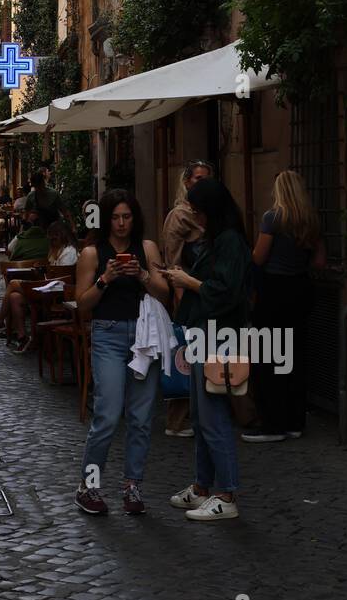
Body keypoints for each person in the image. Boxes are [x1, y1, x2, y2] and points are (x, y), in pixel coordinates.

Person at [74, 189, 168, 517]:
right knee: (108, 415)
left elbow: (164, 292)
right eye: (115, 217)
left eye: (127, 216)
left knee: (142, 418)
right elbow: (82, 304)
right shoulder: (91, 254)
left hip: (143, 336)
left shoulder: (147, 248)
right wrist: (105, 279)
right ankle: (89, 486)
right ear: (105, 219)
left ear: (135, 218)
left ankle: (132, 485)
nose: (121, 223)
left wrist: (142, 275)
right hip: (109, 335)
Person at [164, 178, 252, 522]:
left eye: (197, 210)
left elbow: (225, 291)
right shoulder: (219, 238)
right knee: (202, 417)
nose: (193, 215)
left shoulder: (229, 241)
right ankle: (203, 487)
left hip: (219, 337)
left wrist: (188, 282)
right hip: (206, 334)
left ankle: (226, 493)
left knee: (213, 416)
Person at [246, 170, 326, 442]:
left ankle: (272, 423)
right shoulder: (311, 220)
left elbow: (258, 257)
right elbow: (319, 262)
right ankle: (295, 421)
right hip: (301, 290)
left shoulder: (273, 218)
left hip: (274, 291)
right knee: (295, 356)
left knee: (269, 356)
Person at [160, 159, 215, 439]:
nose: (201, 183)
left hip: (209, 295)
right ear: (186, 182)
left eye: (206, 178)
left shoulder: (211, 215)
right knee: (185, 355)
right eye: (197, 178)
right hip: (187, 295)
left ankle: (210, 413)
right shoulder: (179, 216)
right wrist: (180, 299)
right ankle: (178, 420)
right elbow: (173, 261)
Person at [0, 220, 78, 350]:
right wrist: (44, 268)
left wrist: (45, 271)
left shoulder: (69, 252)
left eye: (53, 238)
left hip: (58, 293)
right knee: (15, 297)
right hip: (50, 289)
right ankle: (23, 337)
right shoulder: (57, 250)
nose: (51, 241)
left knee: (13, 283)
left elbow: (60, 277)